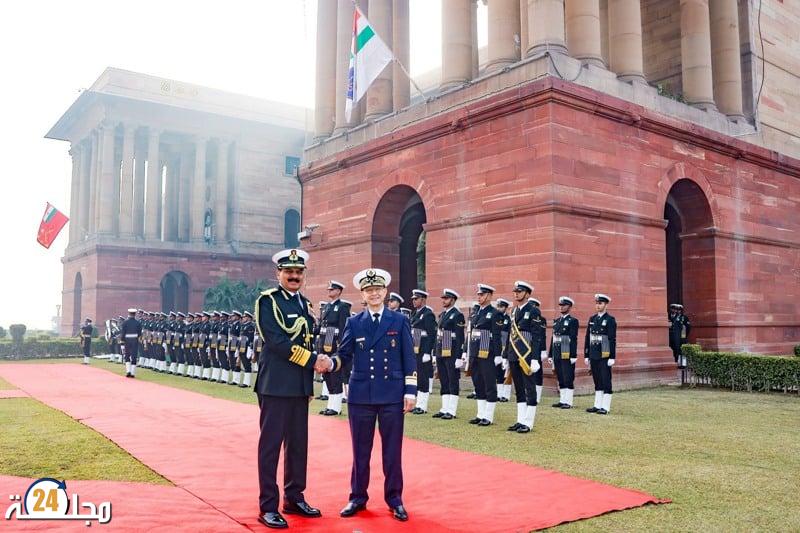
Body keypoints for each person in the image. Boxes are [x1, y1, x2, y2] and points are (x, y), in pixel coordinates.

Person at [326, 268, 417, 522]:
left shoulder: (399, 321)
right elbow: (344, 355)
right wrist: (331, 364)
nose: (374, 293)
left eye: (377, 289)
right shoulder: (354, 323)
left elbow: (409, 358)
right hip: (361, 395)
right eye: (369, 290)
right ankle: (357, 497)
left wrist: (410, 391)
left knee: (392, 451)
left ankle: (395, 499)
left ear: (385, 292)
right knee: (360, 451)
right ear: (363, 295)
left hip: (392, 394)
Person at [254, 248, 326, 529]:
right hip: (275, 384)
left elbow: (308, 340)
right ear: (278, 274)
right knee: (270, 446)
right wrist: (313, 360)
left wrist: (309, 375)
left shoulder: (305, 305)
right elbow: (275, 341)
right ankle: (268, 506)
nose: (294, 276)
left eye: (298, 272)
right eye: (289, 272)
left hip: (298, 385)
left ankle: (294, 497)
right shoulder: (267, 302)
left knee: (298, 445)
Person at [505, 282, 542, 433]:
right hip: (514, 354)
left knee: (529, 387)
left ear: (527, 294)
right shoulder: (513, 311)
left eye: (519, 292)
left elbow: (537, 336)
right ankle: (520, 420)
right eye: (515, 291)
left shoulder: (533, 311)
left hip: (526, 356)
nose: (516, 294)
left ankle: (528, 422)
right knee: (519, 388)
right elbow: (510, 335)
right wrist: (506, 356)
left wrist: (534, 358)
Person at [466, 284, 502, 427]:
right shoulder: (476, 313)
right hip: (475, 352)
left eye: (482, 295)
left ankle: (488, 416)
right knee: (478, 383)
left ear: (489, 296)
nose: (479, 297)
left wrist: (498, 355)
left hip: (487, 352)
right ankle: (480, 414)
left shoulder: (494, 313)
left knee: (489, 384)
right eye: (478, 295)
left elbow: (497, 336)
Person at [317, 281, 351, 416]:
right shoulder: (326, 307)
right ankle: (331, 405)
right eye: (329, 289)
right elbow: (321, 328)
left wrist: (342, 347)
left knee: (336, 376)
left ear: (339, 291)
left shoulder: (342, 307)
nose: (329, 291)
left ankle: (336, 407)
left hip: (335, 344)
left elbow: (344, 328)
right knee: (327, 375)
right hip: (324, 342)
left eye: (332, 289)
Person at [432, 289, 465, 420]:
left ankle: (451, 410)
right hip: (441, 350)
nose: (443, 300)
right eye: (443, 298)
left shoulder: (457, 315)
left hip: (451, 352)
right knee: (444, 380)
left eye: (446, 298)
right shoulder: (442, 315)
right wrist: (435, 353)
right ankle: (444, 408)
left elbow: (460, 337)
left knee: (452, 380)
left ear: (452, 299)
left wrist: (459, 356)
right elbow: (438, 335)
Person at [585, 294, 617, 415]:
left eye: (601, 303)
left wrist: (612, 356)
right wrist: (587, 355)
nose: (598, 306)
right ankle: (597, 405)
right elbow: (588, 337)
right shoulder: (592, 319)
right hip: (594, 353)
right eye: (597, 303)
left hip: (604, 354)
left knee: (606, 380)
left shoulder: (610, 320)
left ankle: (606, 407)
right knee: (597, 380)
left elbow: (612, 339)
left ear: (606, 305)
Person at [409, 289, 436, 414]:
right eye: (413, 299)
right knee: (417, 377)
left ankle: (422, 406)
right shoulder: (414, 314)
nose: (414, 301)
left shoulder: (428, 314)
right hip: (414, 349)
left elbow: (431, 335)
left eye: (416, 299)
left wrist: (427, 352)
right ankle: (417, 404)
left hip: (423, 350)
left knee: (423, 378)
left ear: (423, 299)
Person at [550, 297, 579, 409]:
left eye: (564, 305)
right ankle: (562, 400)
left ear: (570, 307)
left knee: (568, 377)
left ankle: (569, 402)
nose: (561, 307)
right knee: (560, 377)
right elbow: (553, 339)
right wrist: (550, 354)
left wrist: (573, 355)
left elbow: (573, 339)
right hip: (557, 352)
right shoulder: (557, 321)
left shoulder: (573, 321)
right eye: (560, 305)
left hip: (566, 351)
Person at [495, 299, 511, 402]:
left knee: (507, 371)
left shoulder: (508, 319)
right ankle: (499, 394)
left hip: (506, 347)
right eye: (498, 306)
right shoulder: (495, 317)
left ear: (505, 308)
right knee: (498, 372)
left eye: (501, 306)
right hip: (497, 346)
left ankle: (506, 395)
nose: (499, 308)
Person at [120, 309, 142, 378]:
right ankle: (132, 373)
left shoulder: (125, 323)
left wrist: (122, 343)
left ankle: (128, 371)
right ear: (135, 314)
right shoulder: (138, 323)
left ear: (129, 314)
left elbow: (123, 334)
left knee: (127, 356)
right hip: (135, 340)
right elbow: (139, 333)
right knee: (134, 356)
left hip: (127, 341)